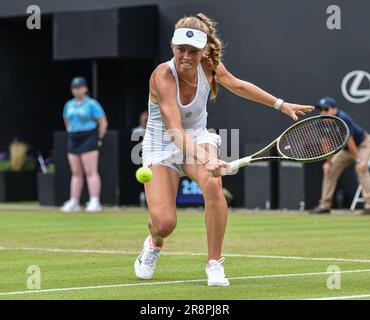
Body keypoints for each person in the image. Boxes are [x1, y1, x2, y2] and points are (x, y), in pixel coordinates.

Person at [135, 13, 314, 286]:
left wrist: (281, 104)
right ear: (172, 47)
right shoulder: (162, 76)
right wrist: (207, 158)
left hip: (197, 134)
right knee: (164, 224)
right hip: (162, 143)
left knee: (213, 184)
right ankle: (154, 243)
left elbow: (238, 85)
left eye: (193, 51)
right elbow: (174, 131)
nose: (186, 56)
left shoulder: (209, 65)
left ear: (204, 50)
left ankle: (214, 263)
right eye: (181, 49)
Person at [311, 97, 370, 214]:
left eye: (326, 109)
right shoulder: (321, 122)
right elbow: (325, 144)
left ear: (334, 109)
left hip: (362, 145)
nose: (323, 112)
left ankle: (369, 205)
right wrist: (328, 163)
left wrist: (359, 161)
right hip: (345, 149)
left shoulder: (343, 118)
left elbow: (351, 142)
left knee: (361, 169)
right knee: (329, 170)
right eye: (321, 109)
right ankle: (325, 205)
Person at [61, 76, 108, 213]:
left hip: (89, 137)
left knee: (90, 171)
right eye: (74, 88)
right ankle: (74, 201)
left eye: (79, 87)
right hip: (74, 138)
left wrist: (98, 138)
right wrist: (72, 132)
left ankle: (94, 201)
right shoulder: (69, 105)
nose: (77, 90)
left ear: (85, 88)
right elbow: (66, 121)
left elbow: (103, 123)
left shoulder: (92, 104)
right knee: (76, 172)